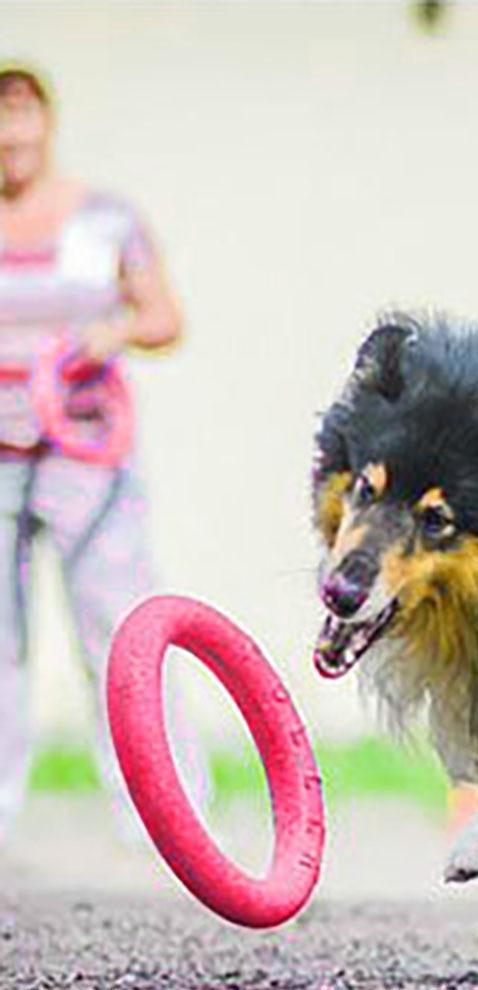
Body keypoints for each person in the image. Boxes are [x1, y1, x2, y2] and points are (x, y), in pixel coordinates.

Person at [0, 62, 205, 841]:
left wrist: (110, 332)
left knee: (117, 630)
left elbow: (165, 317)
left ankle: (164, 809)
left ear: (46, 124)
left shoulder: (105, 218)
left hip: (84, 451)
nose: (10, 132)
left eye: (22, 114)